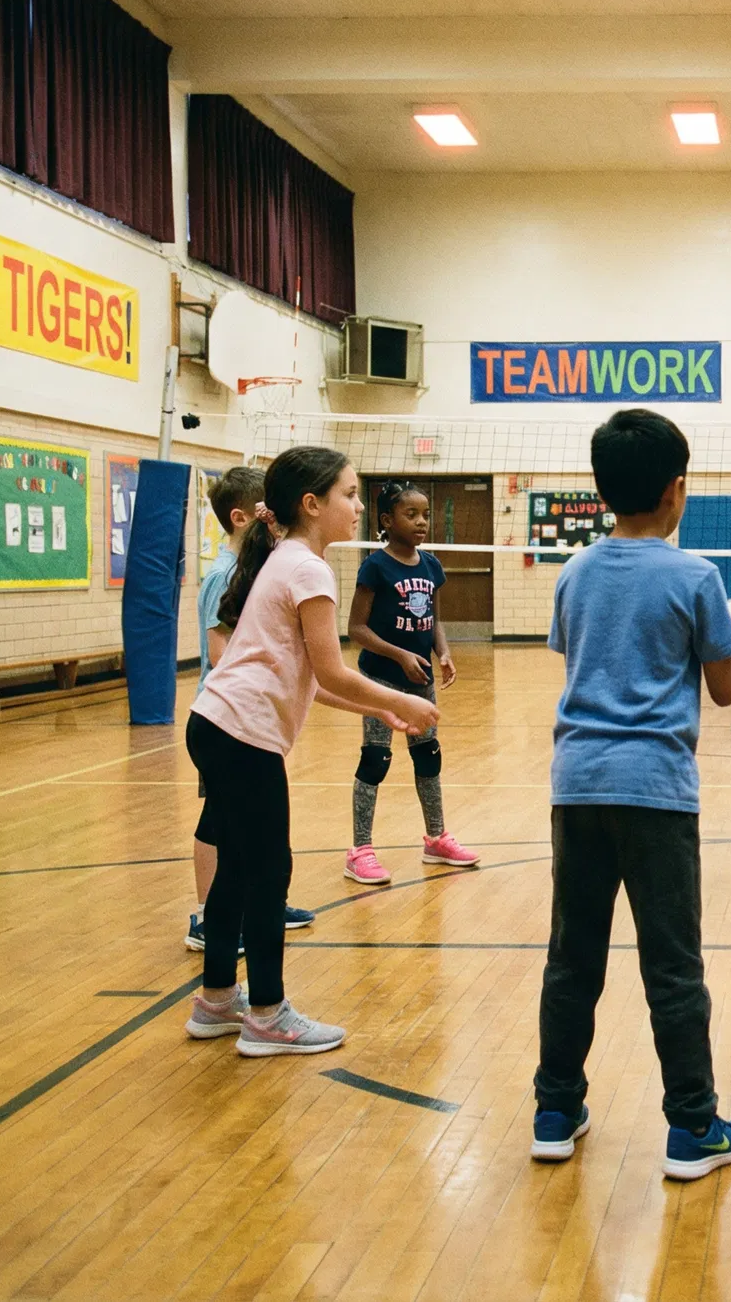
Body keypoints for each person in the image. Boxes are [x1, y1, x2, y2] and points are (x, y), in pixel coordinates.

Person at [532, 408, 731, 1179]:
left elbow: (578, 657)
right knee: (673, 964)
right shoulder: (695, 576)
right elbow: (723, 686)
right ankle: (693, 1127)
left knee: (571, 958)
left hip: (577, 787)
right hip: (657, 795)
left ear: (603, 489)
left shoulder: (575, 572)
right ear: (678, 490)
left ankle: (554, 1109)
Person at [187, 447, 438, 1056]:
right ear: (312, 504)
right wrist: (404, 702)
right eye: (350, 495)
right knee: (269, 873)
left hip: (213, 723)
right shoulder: (308, 569)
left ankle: (217, 1000)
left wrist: (375, 709)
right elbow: (333, 668)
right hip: (241, 734)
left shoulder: (288, 560)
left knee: (237, 871)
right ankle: (268, 1015)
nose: (358, 507)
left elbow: (315, 680)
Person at [189, 466, 315, 950]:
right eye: (268, 510)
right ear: (244, 517)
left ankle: (263, 901)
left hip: (254, 719)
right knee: (217, 818)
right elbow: (223, 653)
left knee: (251, 826)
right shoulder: (224, 574)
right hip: (226, 717)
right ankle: (206, 913)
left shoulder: (261, 569)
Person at [344, 481, 478, 884]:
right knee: (376, 758)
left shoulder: (431, 565)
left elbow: (434, 620)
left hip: (420, 681)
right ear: (387, 520)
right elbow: (356, 629)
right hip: (380, 680)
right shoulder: (375, 567)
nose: (421, 522)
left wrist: (445, 653)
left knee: (428, 755)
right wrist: (399, 655)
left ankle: (436, 839)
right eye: (411, 515)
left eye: (425, 515)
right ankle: (360, 850)